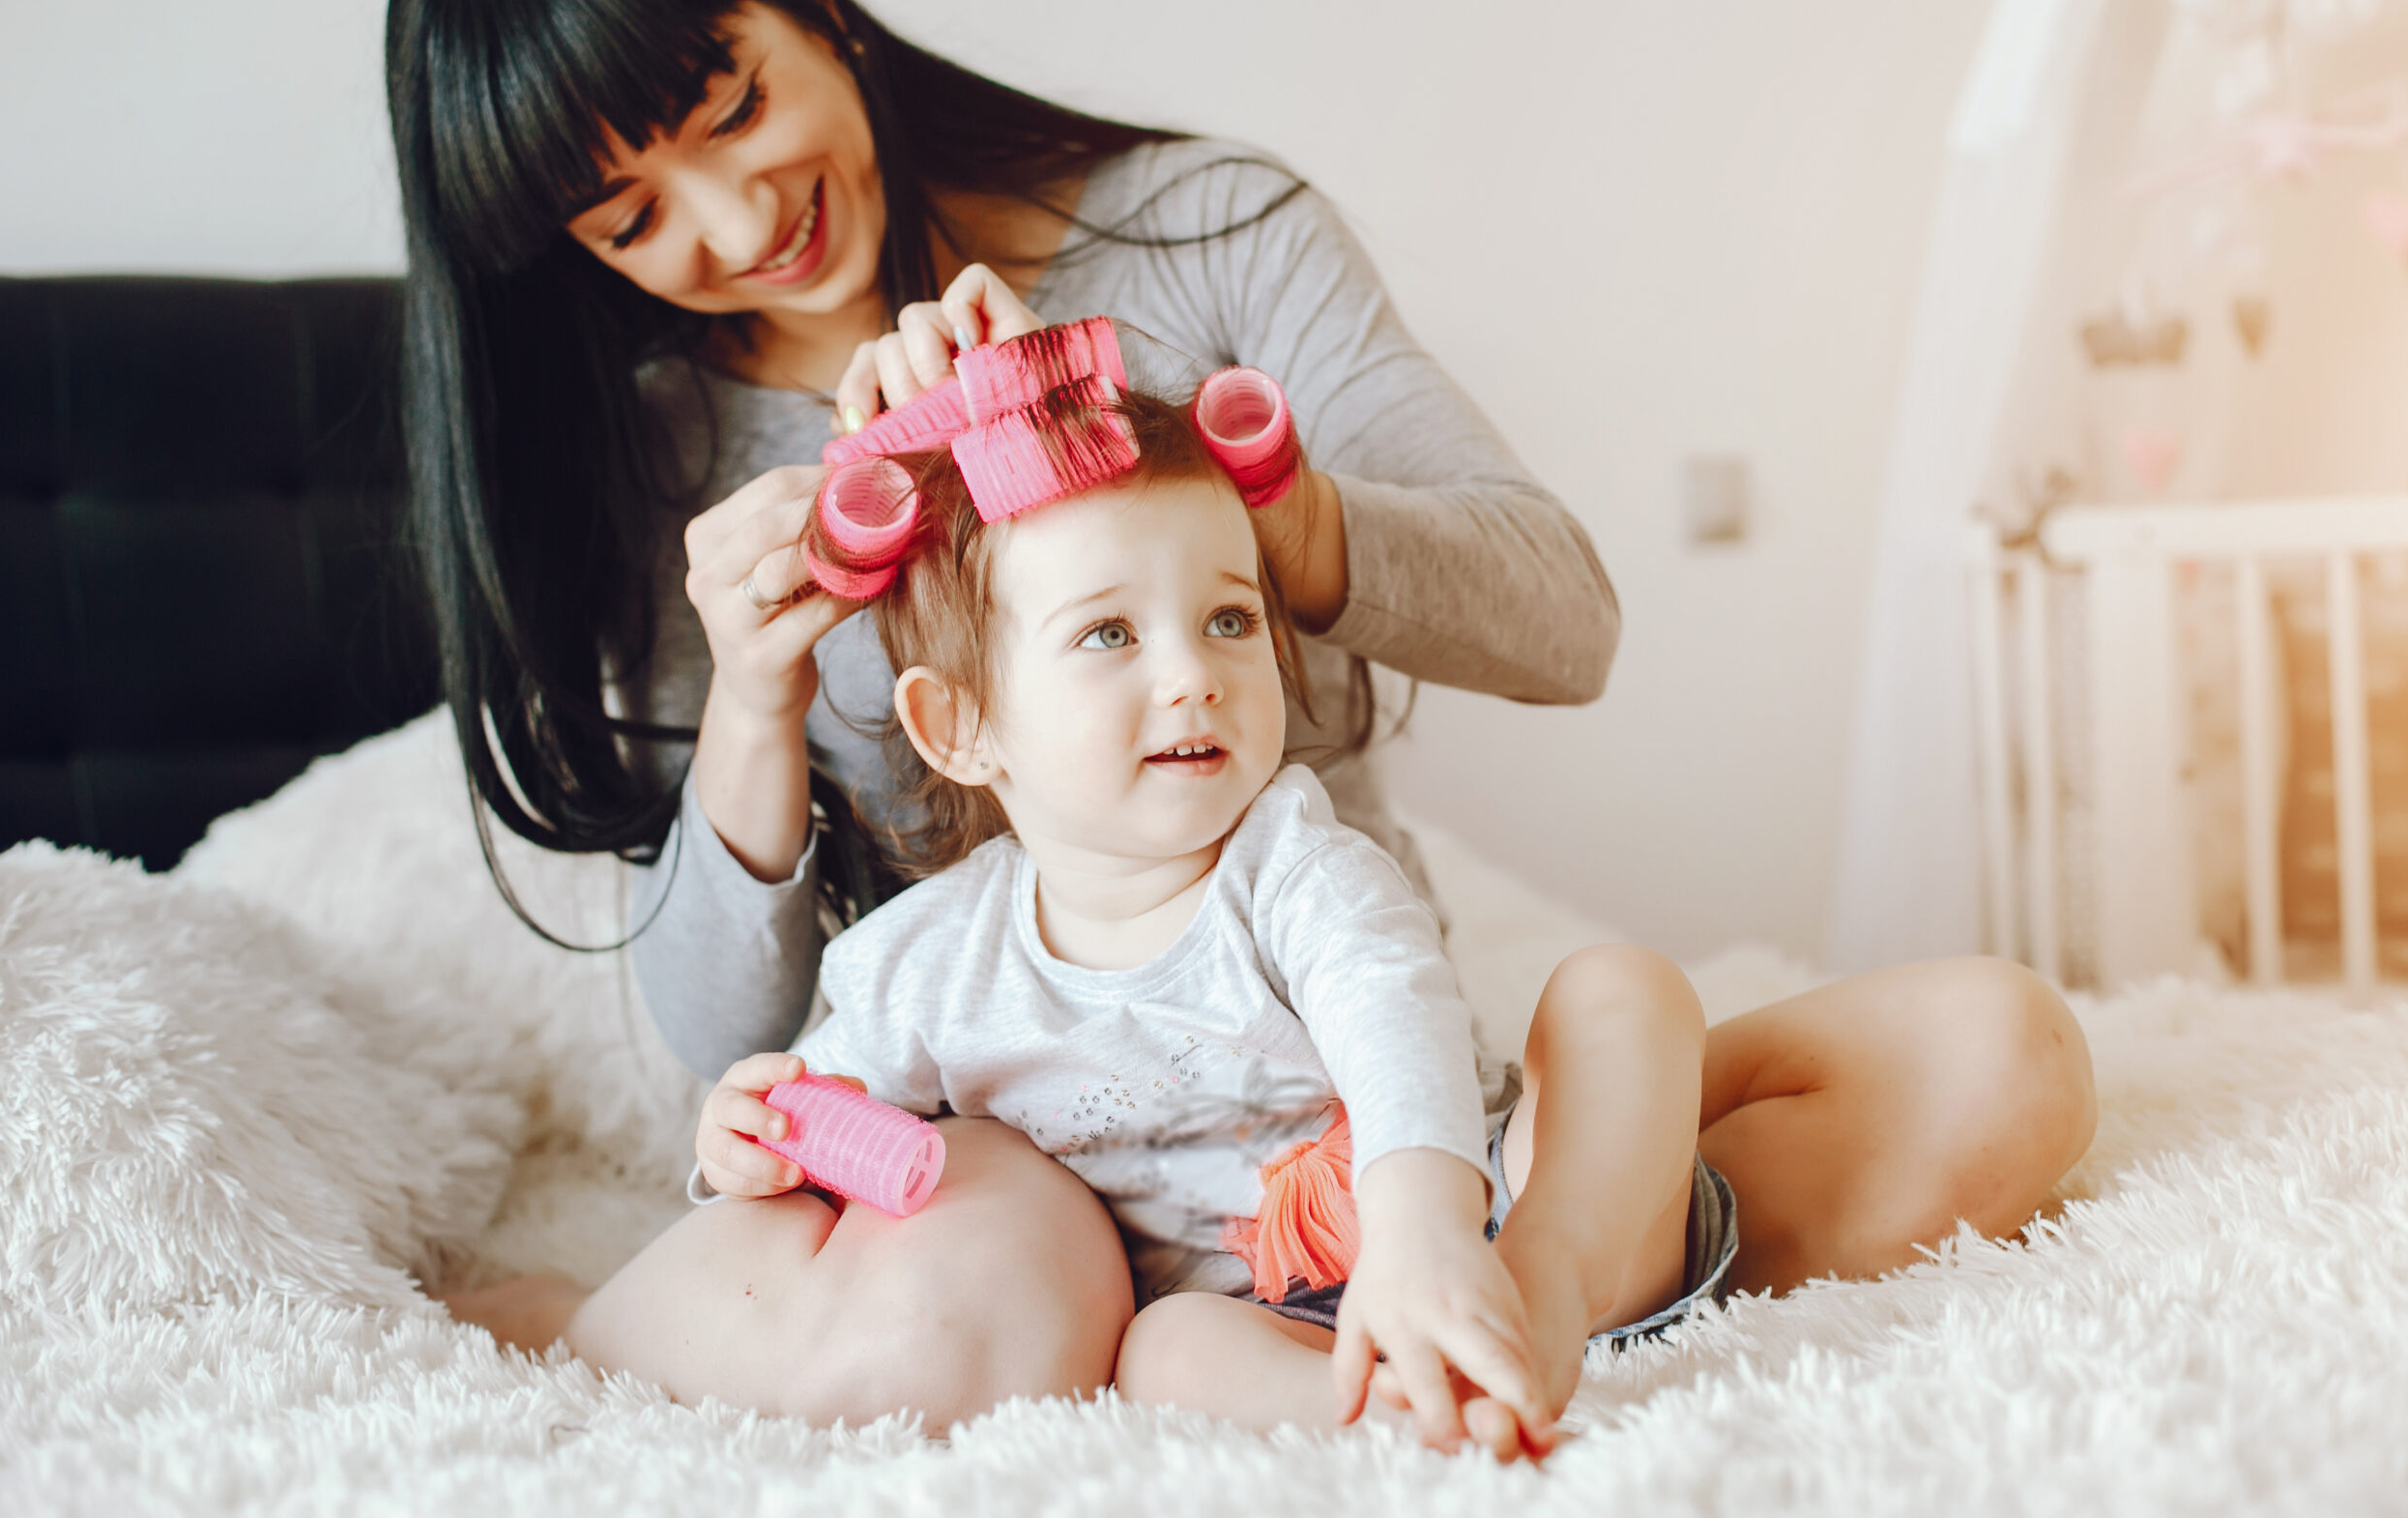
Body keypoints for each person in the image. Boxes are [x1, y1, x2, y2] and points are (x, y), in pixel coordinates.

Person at [389, 0, 2098, 1449]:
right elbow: (741, 1052)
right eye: (631, 219)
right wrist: (757, 687)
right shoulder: (665, 472)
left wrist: (1191, 490)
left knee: (1993, 1060)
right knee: (979, 1300)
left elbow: (1564, 620)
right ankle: (612, 1326)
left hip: (1372, 1115)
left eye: (736, 107)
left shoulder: (1202, 240)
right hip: (1031, 1195)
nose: (733, 216)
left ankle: (1505, 1301)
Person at [704, 323, 1714, 1461]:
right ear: (960, 726)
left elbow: (1392, 1011)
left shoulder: (1291, 863)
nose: (1193, 675)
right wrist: (746, 1137)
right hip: (1266, 1324)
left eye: (1229, 620)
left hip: (1482, 1217)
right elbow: (819, 1107)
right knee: (1163, 1355)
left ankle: (1540, 1303)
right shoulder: (927, 963)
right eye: (1109, 634)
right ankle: (1417, 1420)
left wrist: (1427, 1233)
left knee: (1619, 994)